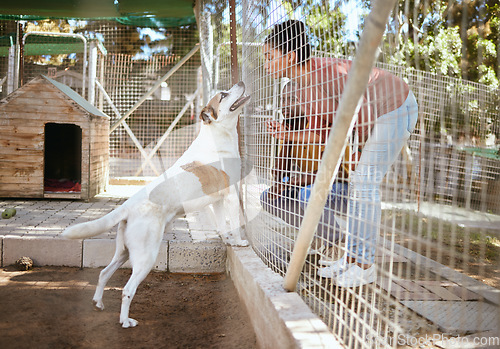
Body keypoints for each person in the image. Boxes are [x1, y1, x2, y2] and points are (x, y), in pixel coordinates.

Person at [262, 19, 418, 287]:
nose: (265, 64)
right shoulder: (300, 87)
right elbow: (325, 134)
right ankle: (350, 260)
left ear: (289, 56)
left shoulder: (327, 72)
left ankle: (365, 265)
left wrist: (357, 151)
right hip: (376, 117)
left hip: (395, 108)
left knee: (364, 181)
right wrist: (286, 134)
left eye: (269, 56)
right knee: (360, 182)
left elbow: (365, 107)